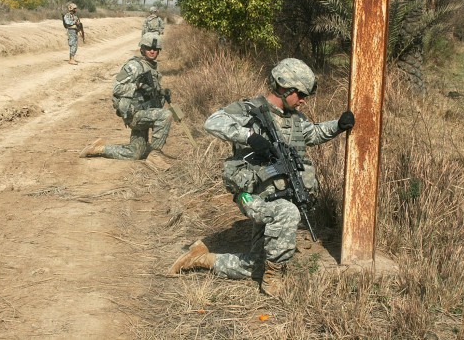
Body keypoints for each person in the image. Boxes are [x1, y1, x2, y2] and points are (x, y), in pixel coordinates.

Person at [168, 58, 355, 296]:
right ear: (285, 88)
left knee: (255, 266)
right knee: (288, 214)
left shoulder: (295, 118)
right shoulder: (249, 110)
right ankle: (273, 278)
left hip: (278, 194)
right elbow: (212, 122)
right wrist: (248, 136)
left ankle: (202, 260)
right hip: (251, 195)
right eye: (300, 94)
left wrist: (338, 125)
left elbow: (315, 133)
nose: (303, 100)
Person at [79, 32, 173, 164]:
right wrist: (138, 86)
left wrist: (162, 92)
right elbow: (117, 88)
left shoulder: (152, 67)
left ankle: (99, 149)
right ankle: (155, 155)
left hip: (145, 111)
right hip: (135, 114)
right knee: (166, 115)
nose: (152, 51)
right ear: (142, 49)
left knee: (134, 153)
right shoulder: (134, 66)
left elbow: (150, 91)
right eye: (148, 48)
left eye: (155, 49)